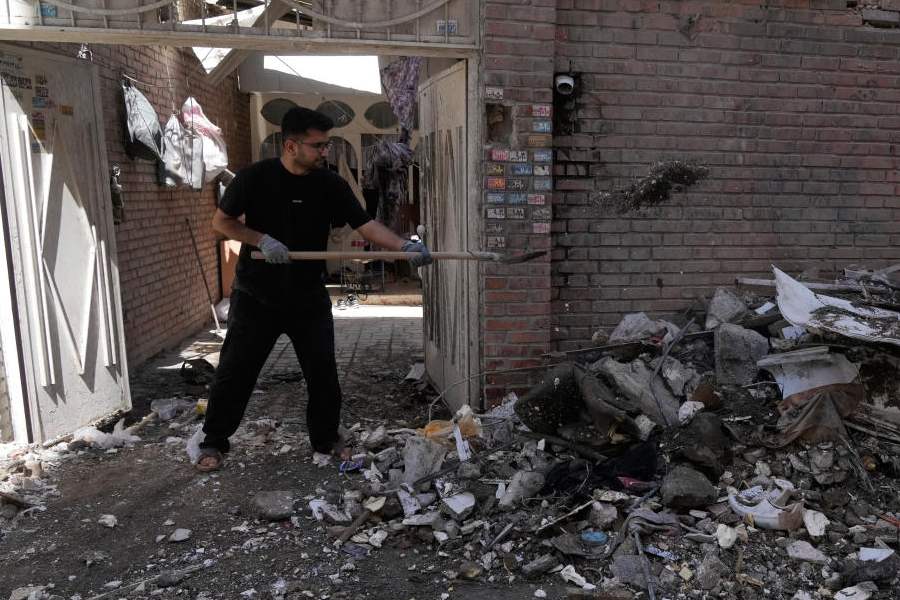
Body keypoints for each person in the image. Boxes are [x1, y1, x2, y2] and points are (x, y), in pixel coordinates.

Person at [195, 107, 432, 472]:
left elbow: (365, 225)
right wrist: (260, 239)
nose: (325, 152)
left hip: (306, 296)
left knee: (322, 374)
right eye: (318, 145)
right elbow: (221, 222)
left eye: (327, 145)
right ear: (291, 145)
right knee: (236, 372)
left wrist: (404, 247)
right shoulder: (254, 179)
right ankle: (214, 441)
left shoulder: (329, 184)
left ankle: (325, 439)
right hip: (256, 296)